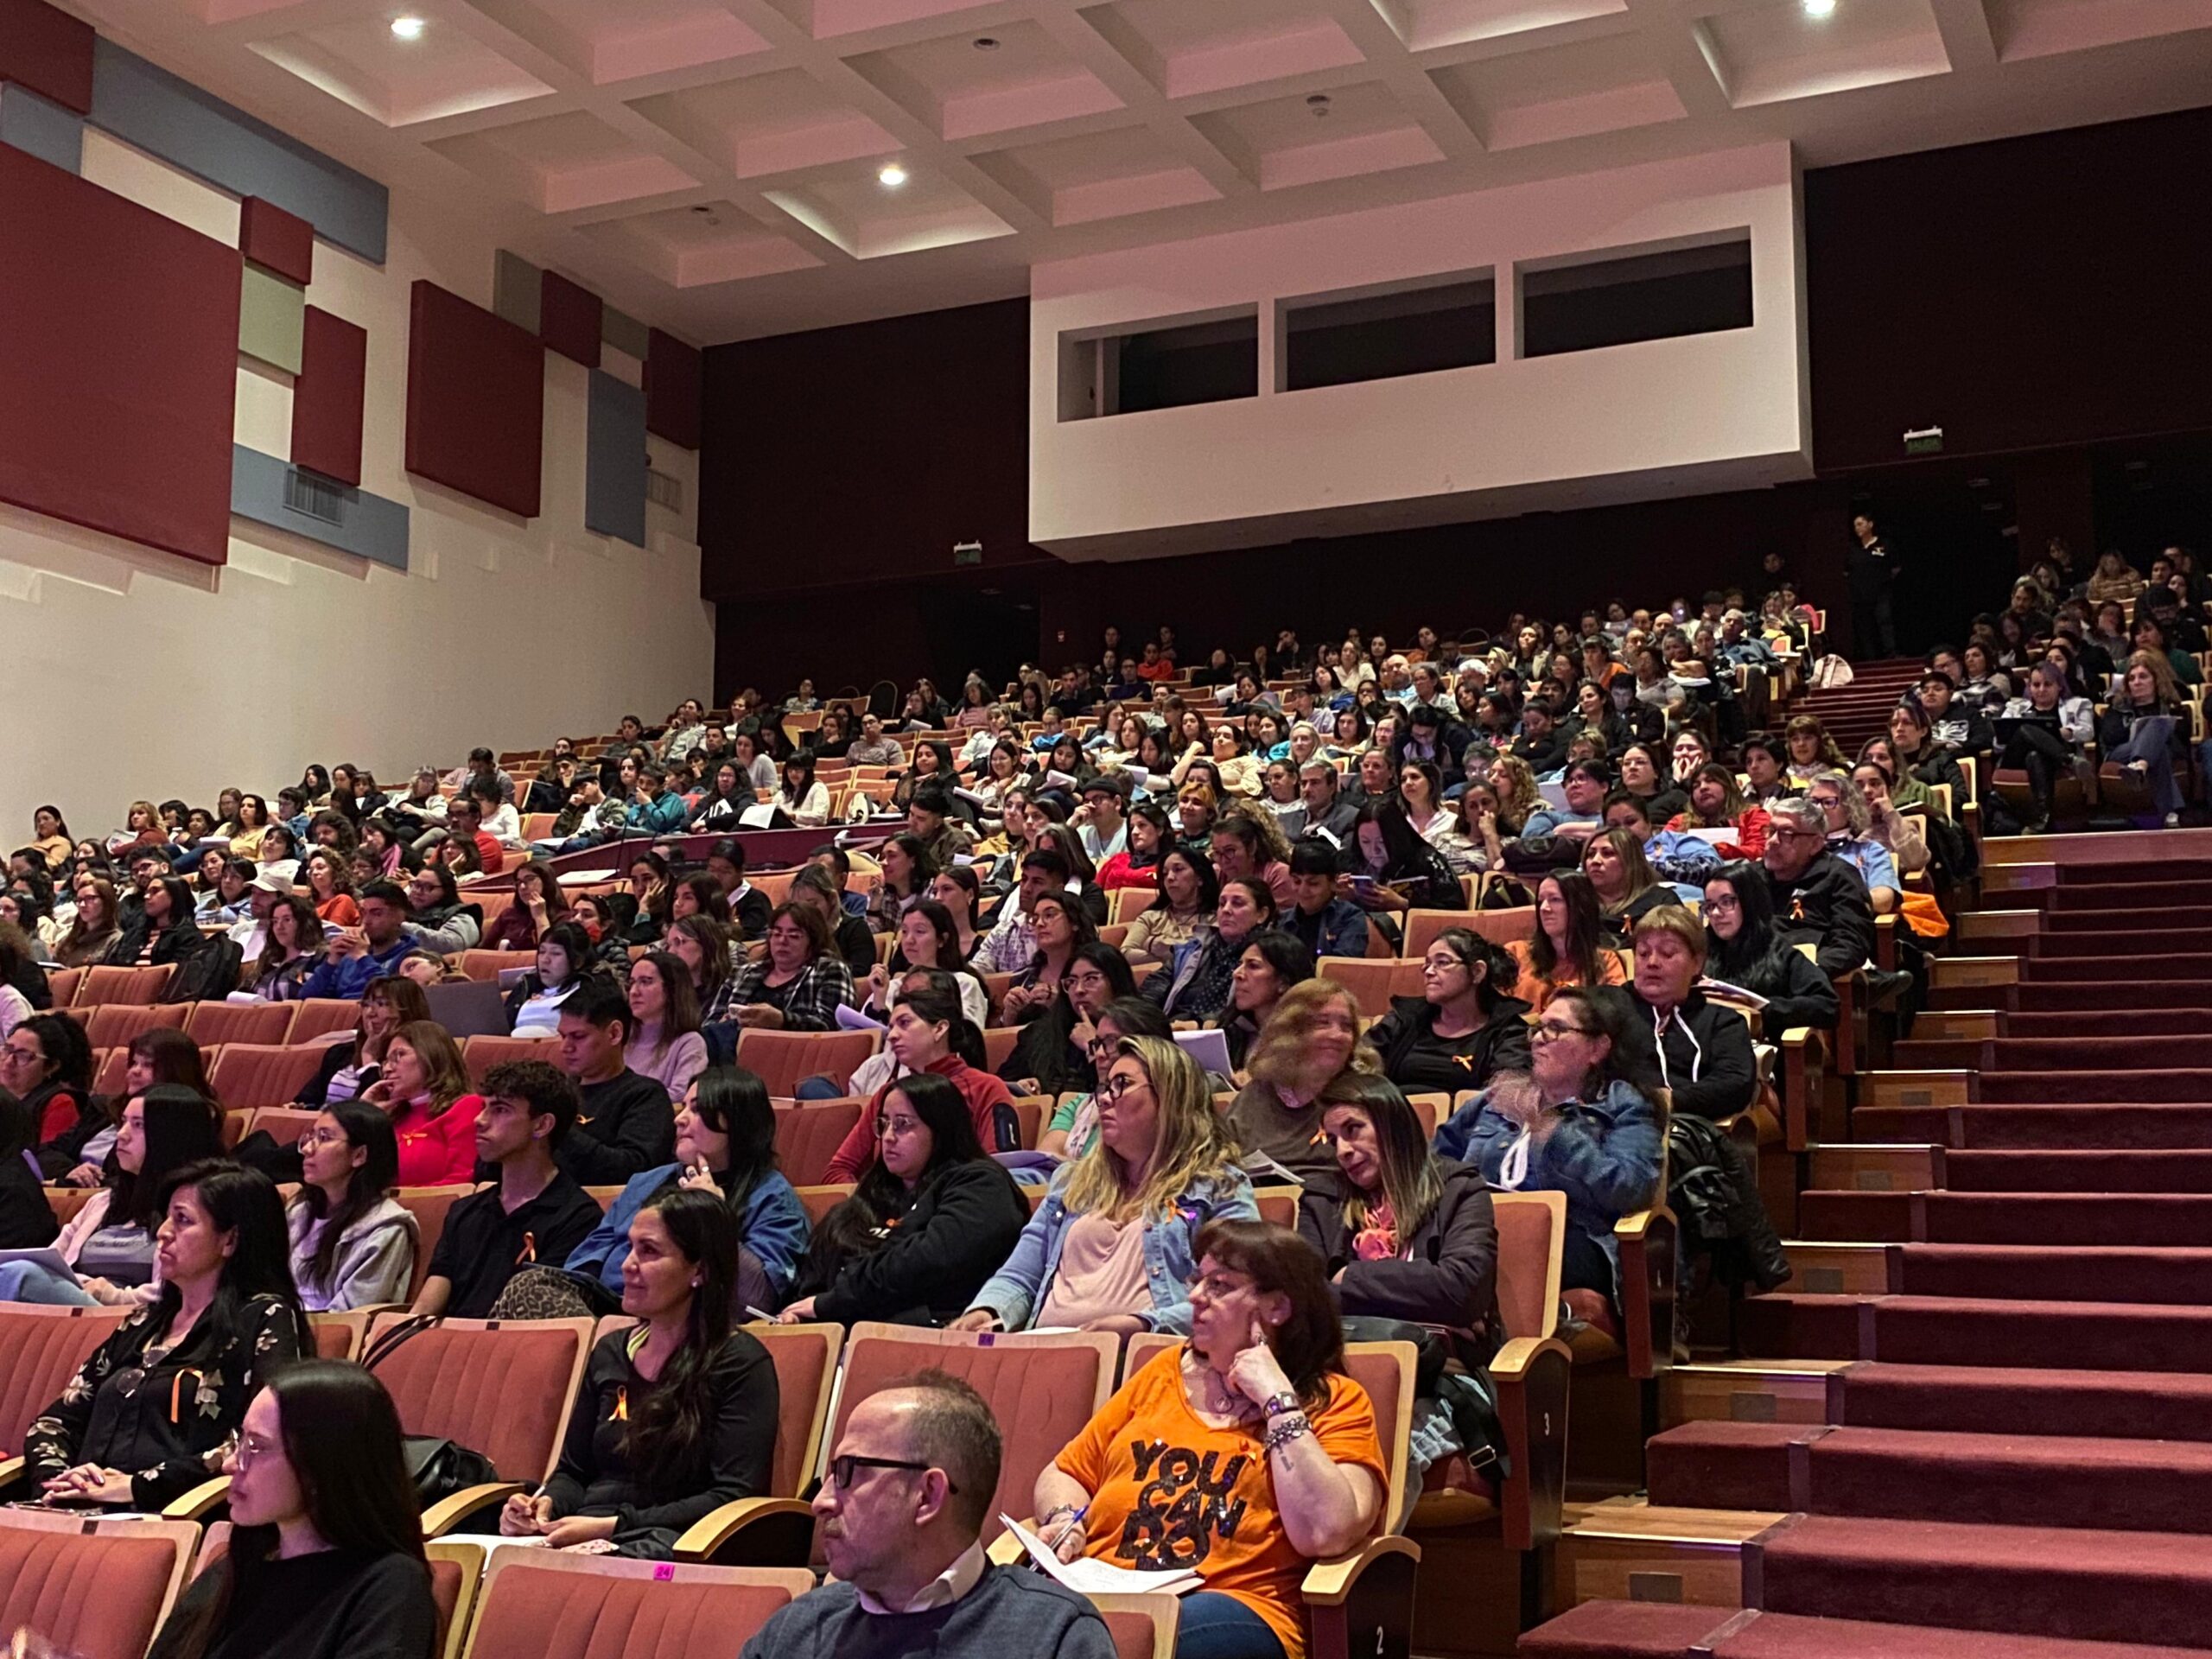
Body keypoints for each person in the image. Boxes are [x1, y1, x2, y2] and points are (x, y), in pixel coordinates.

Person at [1036, 1218, 1389, 1659]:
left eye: (1220, 1285)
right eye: (1198, 1279)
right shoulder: (1162, 1373)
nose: (1194, 1296)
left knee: (1131, 1641)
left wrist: (1276, 1401)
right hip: (1106, 1592)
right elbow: (1066, 1471)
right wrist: (1066, 1518)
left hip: (1232, 1608)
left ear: (1277, 1308)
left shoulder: (1335, 1401)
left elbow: (1327, 1531)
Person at [740, 1372, 1115, 1659]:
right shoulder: (797, 1630)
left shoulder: (1053, 1635)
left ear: (928, 1495)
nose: (821, 1502)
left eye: (848, 1473)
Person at [498, 1189, 779, 1559]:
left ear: (700, 1270)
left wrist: (614, 1525)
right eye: (631, 1248)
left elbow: (732, 1496)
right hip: (585, 1532)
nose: (628, 1264)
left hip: (670, 1542)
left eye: (649, 1251)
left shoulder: (739, 1362)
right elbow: (573, 1471)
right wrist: (544, 1505)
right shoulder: (611, 1351)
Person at [27, 1161, 308, 1510]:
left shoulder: (265, 1317)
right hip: (72, 1506)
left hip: (174, 1514)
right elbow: (55, 1422)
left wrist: (137, 1486)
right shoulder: (141, 1322)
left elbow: (261, 1441)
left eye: (183, 1220)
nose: (162, 1232)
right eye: (167, 1218)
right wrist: (59, 1480)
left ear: (230, 1239)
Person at [957, 1036, 1257, 1336]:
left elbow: (1235, 1289)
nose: (1104, 1098)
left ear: (1170, 1097)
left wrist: (1144, 1324)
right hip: (1048, 1349)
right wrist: (987, 1311)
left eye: (1122, 1084)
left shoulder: (1219, 1185)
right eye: (1104, 1086)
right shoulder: (1072, 1182)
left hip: (1148, 1352)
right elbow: (1020, 1275)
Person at [142, 1362, 436, 1659]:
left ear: (322, 1465)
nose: (231, 1465)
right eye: (238, 1441)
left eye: (256, 1447)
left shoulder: (388, 1587)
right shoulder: (228, 1573)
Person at [504, 1065, 810, 1319]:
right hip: (610, 1308)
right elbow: (588, 1259)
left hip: (689, 1321)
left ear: (738, 1123)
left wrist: (716, 1219)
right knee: (530, 1286)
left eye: (698, 1109)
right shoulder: (647, 1182)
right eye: (683, 1107)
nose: (679, 1119)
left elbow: (758, 1299)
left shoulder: (773, 1198)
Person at [1437, 988, 1662, 1320]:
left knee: (1494, 1252)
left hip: (1570, 1239)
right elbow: (1435, 1163)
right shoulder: (1501, 1096)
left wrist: (1555, 1132)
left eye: (1555, 1029)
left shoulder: (1622, 1105)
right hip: (1477, 1231)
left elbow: (1631, 1186)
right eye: (1537, 1029)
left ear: (1597, 1048)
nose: (1538, 1039)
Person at [779, 1072, 1029, 1327]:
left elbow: (926, 1263)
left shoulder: (981, 1185)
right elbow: (812, 1286)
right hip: (847, 1335)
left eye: (903, 1124)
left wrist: (831, 1302)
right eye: (884, 1124)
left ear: (941, 1129)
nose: (888, 1136)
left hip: (931, 1334)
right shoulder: (866, 1199)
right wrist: (798, 1313)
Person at [1302, 1074, 1497, 1361]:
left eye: (1353, 1129)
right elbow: (1306, 1301)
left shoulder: (1459, 1188)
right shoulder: (1322, 1199)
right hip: (1343, 1361)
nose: (1342, 1151)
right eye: (1333, 1140)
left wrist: (1348, 1277)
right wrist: (1429, 1310)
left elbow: (1463, 1289)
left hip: (1442, 1370)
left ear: (1392, 1125)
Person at [408, 1061, 602, 1319]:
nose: (479, 1120)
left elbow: (537, 1316)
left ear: (542, 1125)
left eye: (500, 1110)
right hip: (449, 1346)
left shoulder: (577, 1217)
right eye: (483, 1107)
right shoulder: (464, 1210)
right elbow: (426, 1307)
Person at [0, 1085, 226, 1305]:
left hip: (128, 1318)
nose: (122, 1134)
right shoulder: (103, 1202)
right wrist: (83, 1285)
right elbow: (52, 1260)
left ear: (171, 1136)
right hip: (74, 1311)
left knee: (22, 1274)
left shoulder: (191, 1212)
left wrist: (105, 1293)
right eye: (123, 1122)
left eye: (138, 1125)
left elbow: (174, 1293)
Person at [823, 975, 1017, 1185]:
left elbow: (999, 1174)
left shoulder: (986, 1088)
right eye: (891, 1026)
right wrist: (868, 1207)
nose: (891, 1035)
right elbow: (838, 1169)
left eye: (904, 1023)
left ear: (940, 1029)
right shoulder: (887, 1095)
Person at [1226, 978, 1376, 1198]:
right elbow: (1220, 1164)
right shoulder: (1257, 1092)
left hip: (1339, 1208)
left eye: (1346, 1026)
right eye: (1322, 1023)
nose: (1337, 1035)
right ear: (1291, 1031)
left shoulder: (1366, 1094)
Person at [1624, 907, 1758, 1121]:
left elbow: (1735, 1084)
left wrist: (1667, 1100)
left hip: (1687, 1128)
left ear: (1696, 963)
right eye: (1643, 953)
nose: (1652, 962)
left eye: (1667, 953)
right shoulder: (1606, 1010)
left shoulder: (1722, 1021)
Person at [1364, 929, 1532, 1096]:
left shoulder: (1509, 1031)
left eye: (1442, 963)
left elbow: (1506, 1095)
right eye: (1427, 963)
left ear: (1477, 971)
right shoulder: (1403, 1019)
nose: (1429, 971)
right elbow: (1359, 1067)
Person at [287, 1101, 419, 1312]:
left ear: (359, 1155)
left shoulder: (385, 1230)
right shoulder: (297, 1212)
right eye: (311, 1137)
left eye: (324, 1138)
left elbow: (351, 1313)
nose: (307, 1149)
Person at [554, 980, 677, 1185]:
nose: (565, 1047)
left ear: (614, 1034)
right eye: (563, 1036)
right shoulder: (557, 1092)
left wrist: (555, 1128)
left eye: (578, 1036)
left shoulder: (645, 1095)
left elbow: (633, 1170)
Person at [1703, 862, 1839, 1032]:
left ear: (1749, 903)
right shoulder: (1700, 953)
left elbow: (1826, 1006)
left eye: (1726, 902)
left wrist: (1763, 1007)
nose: (1715, 913)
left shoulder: (1780, 952)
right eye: (1710, 905)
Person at [1000, 940, 1135, 1098]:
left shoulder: (1140, 1027)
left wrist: (1092, 1046)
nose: (1078, 990)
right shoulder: (1040, 1032)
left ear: (1116, 980)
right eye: (1071, 982)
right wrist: (1021, 1087)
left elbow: (1131, 1090)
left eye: (1091, 979)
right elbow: (1002, 1085)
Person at [1762, 797, 1877, 980]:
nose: (1773, 841)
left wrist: (1805, 972)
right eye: (1771, 831)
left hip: (1807, 980)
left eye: (1786, 834)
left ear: (1815, 844)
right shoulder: (1751, 876)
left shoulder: (1840, 876)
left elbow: (1850, 944)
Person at [359, 1020, 485, 1187]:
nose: (388, 1069)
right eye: (385, 1062)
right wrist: (364, 1115)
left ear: (432, 1055)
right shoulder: (389, 1117)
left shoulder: (467, 1107)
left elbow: (461, 1183)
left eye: (399, 1055)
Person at [1152, 876, 1280, 1022]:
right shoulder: (1196, 948)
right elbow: (1155, 987)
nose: (1226, 910)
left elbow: (1252, 1011)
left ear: (1261, 914)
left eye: (1237, 903)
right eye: (1222, 903)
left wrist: (1197, 1024)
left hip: (1229, 1035)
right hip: (1172, 1028)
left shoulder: (1270, 956)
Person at [721, 904, 856, 1033]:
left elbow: (833, 1028)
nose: (782, 941)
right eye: (777, 933)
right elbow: (710, 1021)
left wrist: (782, 1021)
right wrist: (724, 1024)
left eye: (793, 936)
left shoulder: (830, 971)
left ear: (814, 940)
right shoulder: (743, 972)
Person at [300, 975, 429, 1108]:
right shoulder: (341, 1052)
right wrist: (299, 1107)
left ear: (408, 1009)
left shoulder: (415, 1058)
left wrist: (369, 1057)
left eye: (381, 1004)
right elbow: (308, 1099)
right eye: (366, 1005)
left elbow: (376, 1110)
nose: (370, 1013)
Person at [2103, 651, 2188, 825]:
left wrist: (2158, 732)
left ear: (2156, 679)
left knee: (2160, 740)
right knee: (2157, 733)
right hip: (2123, 752)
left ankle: (2140, 766)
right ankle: (2170, 812)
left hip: (2167, 752)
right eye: (2132, 678)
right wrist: (2141, 735)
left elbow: (2182, 738)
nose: (2137, 682)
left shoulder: (2171, 706)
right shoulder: (2118, 706)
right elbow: (2110, 737)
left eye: (2143, 677)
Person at [1213, 930, 1314, 1073]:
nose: (1237, 974)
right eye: (1240, 964)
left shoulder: (1307, 1040)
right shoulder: (1233, 1028)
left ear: (1283, 982)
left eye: (1253, 966)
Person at [299, 881, 414, 1000]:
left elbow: (392, 998)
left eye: (377, 914)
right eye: (363, 913)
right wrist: (331, 963)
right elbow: (306, 997)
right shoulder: (349, 957)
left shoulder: (412, 957)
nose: (366, 921)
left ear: (400, 916)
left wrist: (362, 958)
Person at [626, 950, 710, 1100]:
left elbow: (681, 1096)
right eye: (632, 983)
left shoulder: (689, 1043)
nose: (634, 992)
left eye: (645, 982)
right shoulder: (620, 1037)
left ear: (672, 989)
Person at [1281, 841, 1370, 960]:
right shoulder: (1281, 920)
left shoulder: (1350, 918)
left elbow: (1342, 968)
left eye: (1313, 883)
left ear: (1334, 882)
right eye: (1297, 881)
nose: (1302, 890)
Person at [1581, 827, 1670, 945]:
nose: (1595, 861)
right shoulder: (1575, 904)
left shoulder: (1660, 902)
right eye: (1590, 854)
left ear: (1631, 860)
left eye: (1608, 853)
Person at [483, 860, 570, 953]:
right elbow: (481, 952)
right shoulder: (508, 915)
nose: (522, 887)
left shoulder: (564, 918)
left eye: (529, 879)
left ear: (546, 881)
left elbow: (550, 956)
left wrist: (540, 917)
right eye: (519, 882)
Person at [1848, 510, 1898, 658]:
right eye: (1855, 525)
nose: (1857, 528)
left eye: (1860, 524)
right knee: (1865, 626)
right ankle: (1869, 656)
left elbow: (1896, 568)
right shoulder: (1853, 549)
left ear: (1870, 525)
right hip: (1860, 595)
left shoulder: (1884, 544)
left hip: (1881, 592)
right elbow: (1847, 571)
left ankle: (1891, 652)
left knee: (1885, 622)